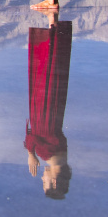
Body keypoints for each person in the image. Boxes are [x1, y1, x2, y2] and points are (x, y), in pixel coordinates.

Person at [25, 12, 73, 199]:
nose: (42, 177)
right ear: (54, 181)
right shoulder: (47, 155)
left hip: (52, 111)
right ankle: (52, 24)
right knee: (44, 71)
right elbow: (32, 139)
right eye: (44, 182)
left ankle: (54, 24)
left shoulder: (62, 157)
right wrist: (31, 154)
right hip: (43, 112)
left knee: (52, 70)